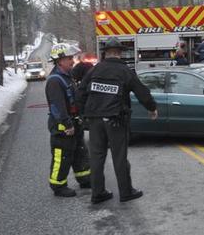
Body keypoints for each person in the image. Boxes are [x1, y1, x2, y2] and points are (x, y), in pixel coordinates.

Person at [77, 37, 158, 204]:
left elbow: (81, 92)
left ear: (105, 53)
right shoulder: (125, 71)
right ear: (120, 53)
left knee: (97, 157)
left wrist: (82, 113)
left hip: (95, 120)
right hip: (115, 120)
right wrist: (151, 108)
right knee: (119, 157)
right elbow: (141, 91)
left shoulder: (94, 70)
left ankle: (97, 193)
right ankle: (126, 192)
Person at [45, 43, 91, 197]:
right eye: (69, 58)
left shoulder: (68, 77)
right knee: (62, 156)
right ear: (60, 61)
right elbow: (57, 107)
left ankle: (84, 179)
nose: (73, 61)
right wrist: (66, 124)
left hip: (74, 123)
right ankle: (58, 185)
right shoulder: (55, 81)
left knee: (80, 152)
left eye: (72, 57)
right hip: (63, 127)